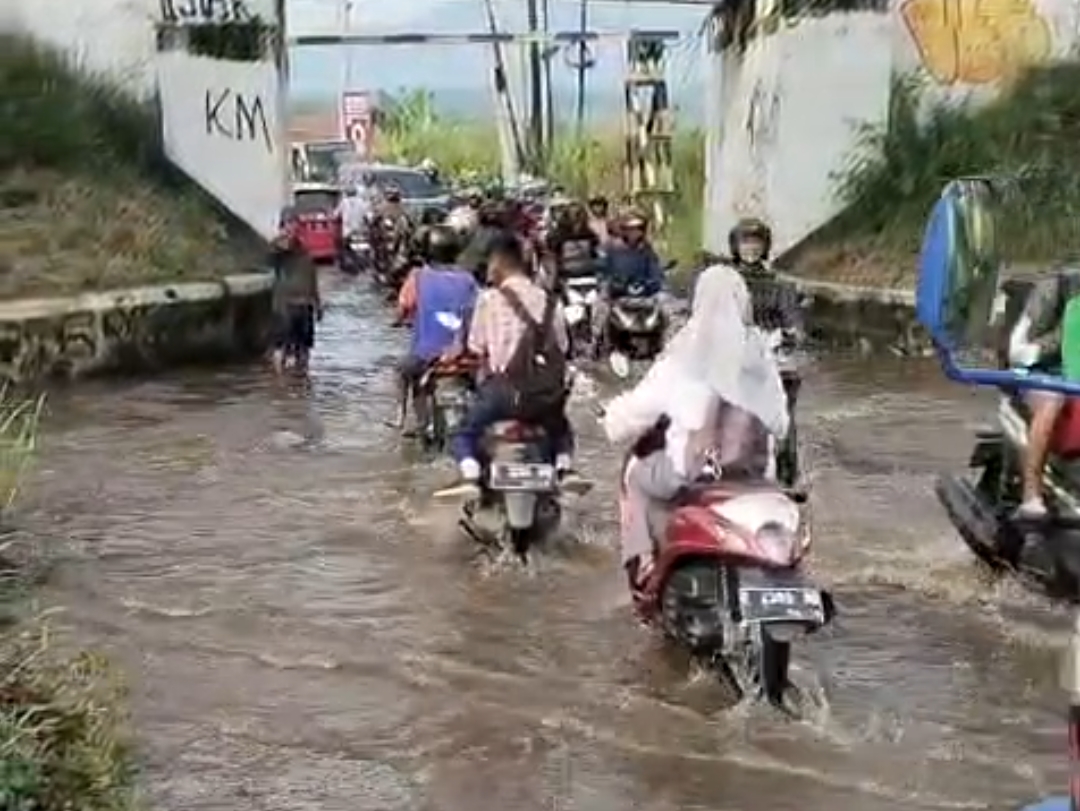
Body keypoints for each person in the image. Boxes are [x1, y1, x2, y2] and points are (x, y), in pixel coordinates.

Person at [603, 265, 789, 590]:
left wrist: (611, 420)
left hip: (695, 472)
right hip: (756, 476)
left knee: (637, 477)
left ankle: (645, 564)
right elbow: (781, 424)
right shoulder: (759, 354)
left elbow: (638, 410)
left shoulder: (686, 352)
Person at [436, 231, 590, 499]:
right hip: (541, 397)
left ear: (498, 263)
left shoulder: (488, 300)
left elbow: (476, 346)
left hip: (501, 394)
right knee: (561, 431)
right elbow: (563, 347)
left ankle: (470, 475)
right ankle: (565, 470)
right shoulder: (549, 300)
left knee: (463, 432)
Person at [393, 225, 480, 434]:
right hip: (464, 355)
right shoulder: (469, 279)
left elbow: (404, 306)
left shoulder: (418, 277)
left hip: (426, 355)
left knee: (401, 371)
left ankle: (402, 416)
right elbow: (478, 308)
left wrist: (399, 319)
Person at [1008, 268, 1080, 518]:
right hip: (1040, 374)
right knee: (1054, 398)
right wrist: (1063, 338)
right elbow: (1015, 350)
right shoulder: (1054, 289)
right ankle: (1031, 495)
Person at [592, 208, 665, 350]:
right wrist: (608, 283)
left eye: (638, 229)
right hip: (617, 294)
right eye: (631, 229)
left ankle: (663, 348)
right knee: (599, 310)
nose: (634, 233)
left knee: (666, 311)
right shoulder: (611, 247)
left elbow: (655, 270)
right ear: (624, 230)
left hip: (644, 295)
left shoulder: (647, 249)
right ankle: (596, 345)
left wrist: (654, 282)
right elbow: (601, 270)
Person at [270, 210, 323, 375]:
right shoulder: (278, 248)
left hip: (305, 304)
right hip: (285, 305)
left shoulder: (305, 251)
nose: (293, 227)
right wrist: (285, 238)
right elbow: (275, 254)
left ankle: (302, 381)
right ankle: (280, 382)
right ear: (282, 226)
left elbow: (311, 278)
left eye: (295, 223)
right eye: (289, 223)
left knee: (304, 347)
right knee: (281, 346)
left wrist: (318, 303)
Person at [545, 201, 601, 286]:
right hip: (566, 272)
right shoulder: (558, 233)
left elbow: (594, 249)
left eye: (578, 214)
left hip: (586, 271)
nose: (576, 218)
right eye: (573, 214)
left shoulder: (589, 233)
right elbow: (551, 246)